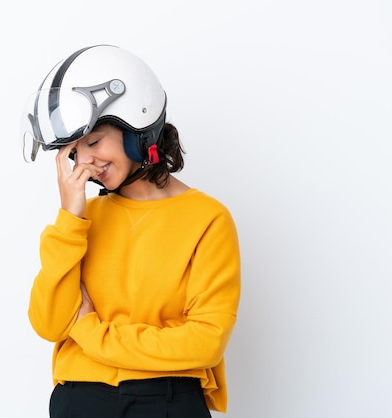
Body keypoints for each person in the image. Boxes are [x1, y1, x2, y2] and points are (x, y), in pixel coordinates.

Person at [23, 44, 241, 418]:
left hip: (167, 402)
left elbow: (204, 342)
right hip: (79, 400)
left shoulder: (208, 219)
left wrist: (91, 332)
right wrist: (70, 218)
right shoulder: (79, 222)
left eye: (93, 142)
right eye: (74, 153)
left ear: (139, 128)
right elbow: (50, 323)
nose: (85, 161)